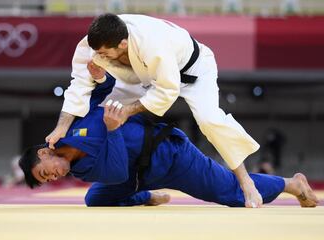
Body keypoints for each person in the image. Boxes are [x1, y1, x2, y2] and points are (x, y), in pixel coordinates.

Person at [46, 13, 261, 207]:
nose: (98, 55)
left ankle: (245, 180)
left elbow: (167, 91)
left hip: (192, 70)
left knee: (209, 120)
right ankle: (134, 170)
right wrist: (61, 128)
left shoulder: (152, 42)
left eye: (103, 52)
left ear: (122, 44)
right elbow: (79, 87)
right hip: (144, 78)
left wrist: (127, 112)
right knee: (101, 111)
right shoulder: (91, 45)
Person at [20, 99, 319, 208]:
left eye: (47, 172)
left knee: (229, 192)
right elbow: (116, 174)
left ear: (46, 153)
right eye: (49, 181)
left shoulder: (75, 125)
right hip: (135, 175)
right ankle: (148, 197)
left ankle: (291, 184)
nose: (55, 176)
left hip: (169, 155)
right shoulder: (80, 171)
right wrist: (112, 129)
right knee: (94, 198)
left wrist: (96, 71)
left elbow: (96, 89)